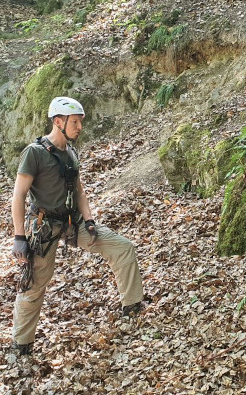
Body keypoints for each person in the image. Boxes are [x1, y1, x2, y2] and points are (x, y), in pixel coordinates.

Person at [10, 97, 145, 355]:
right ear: (57, 121)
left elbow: (79, 191)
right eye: (74, 122)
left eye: (80, 122)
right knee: (35, 283)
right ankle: (21, 344)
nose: (80, 127)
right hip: (43, 226)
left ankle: (133, 306)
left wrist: (90, 220)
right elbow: (18, 195)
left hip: (73, 221)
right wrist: (19, 237)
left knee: (122, 247)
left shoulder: (71, 153)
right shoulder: (34, 153)